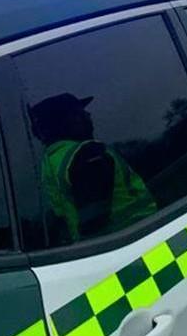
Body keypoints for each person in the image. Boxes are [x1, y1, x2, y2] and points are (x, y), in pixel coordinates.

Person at [29, 93, 157, 243]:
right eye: (81, 112)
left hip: (105, 247)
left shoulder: (51, 161)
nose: (88, 115)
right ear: (71, 120)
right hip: (139, 237)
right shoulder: (87, 156)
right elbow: (94, 222)